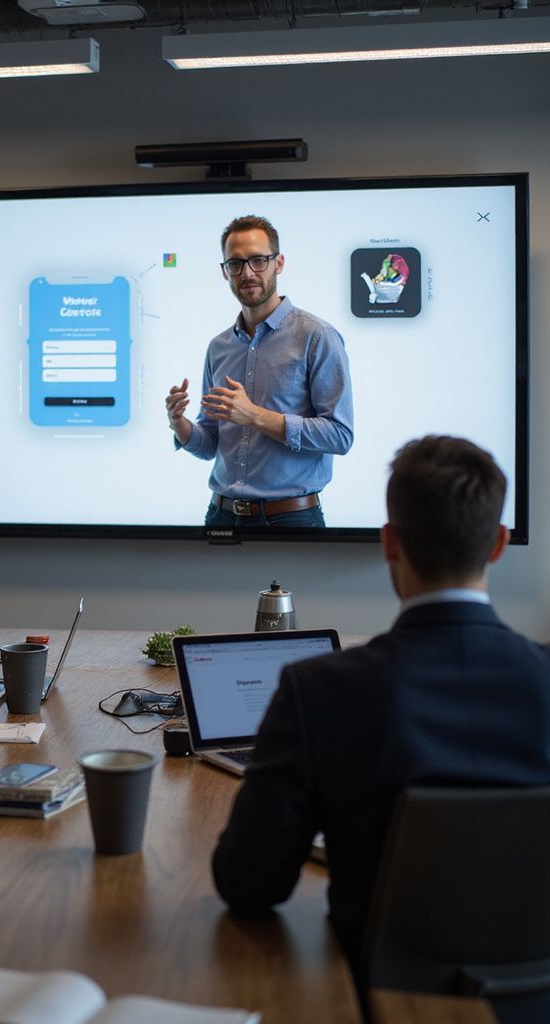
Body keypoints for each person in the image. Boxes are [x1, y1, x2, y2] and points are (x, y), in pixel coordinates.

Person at [211, 435, 550, 997]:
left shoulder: (319, 689)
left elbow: (248, 884)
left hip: (374, 997)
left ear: (389, 543)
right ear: (498, 544)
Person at [165, 214, 353, 528]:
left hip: (292, 519)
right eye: (235, 264)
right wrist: (179, 424)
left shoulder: (317, 337)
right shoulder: (219, 347)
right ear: (225, 273)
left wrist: (254, 415)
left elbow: (340, 436)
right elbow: (211, 442)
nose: (247, 273)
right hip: (221, 517)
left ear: (278, 263)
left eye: (258, 260)